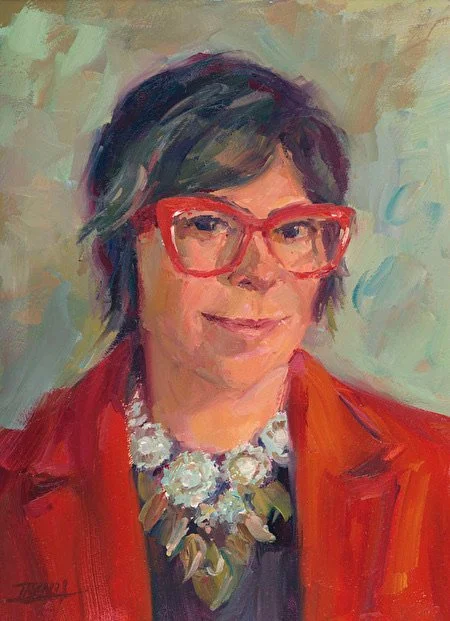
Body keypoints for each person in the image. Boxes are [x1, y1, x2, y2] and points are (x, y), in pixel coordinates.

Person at [0, 52, 449, 621]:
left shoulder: (432, 474)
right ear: (124, 246)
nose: (259, 271)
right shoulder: (16, 485)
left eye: (294, 229)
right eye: (208, 223)